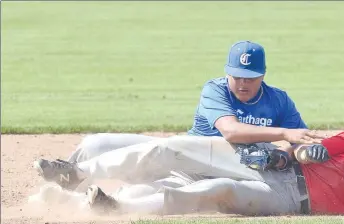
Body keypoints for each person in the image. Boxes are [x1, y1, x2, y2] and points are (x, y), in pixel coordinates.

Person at [45, 40, 317, 192]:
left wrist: (289, 152)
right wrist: (282, 134)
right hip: (181, 155)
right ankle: (59, 190)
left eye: (250, 78)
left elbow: (302, 142)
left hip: (208, 175)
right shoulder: (215, 89)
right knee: (95, 144)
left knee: (137, 195)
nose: (242, 83)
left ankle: (81, 200)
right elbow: (231, 131)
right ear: (226, 73)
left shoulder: (278, 100)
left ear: (263, 75)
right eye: (236, 76)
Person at [32, 126, 344, 216]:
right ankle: (78, 173)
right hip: (282, 171)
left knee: (216, 190)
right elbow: (309, 151)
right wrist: (293, 155)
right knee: (169, 149)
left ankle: (114, 206)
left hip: (291, 200)